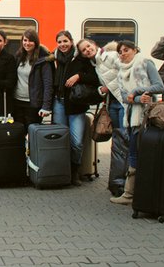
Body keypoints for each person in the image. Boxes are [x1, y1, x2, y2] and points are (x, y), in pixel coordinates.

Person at [109, 40, 164, 205]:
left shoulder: (145, 63)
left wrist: (136, 91)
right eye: (120, 51)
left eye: (126, 50)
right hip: (132, 118)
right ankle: (130, 194)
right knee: (133, 153)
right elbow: (125, 98)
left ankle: (141, 193)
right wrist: (138, 98)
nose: (123, 54)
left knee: (145, 154)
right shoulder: (120, 71)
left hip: (147, 118)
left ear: (135, 50)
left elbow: (159, 86)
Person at [53, 34, 100, 186]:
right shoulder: (54, 58)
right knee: (61, 139)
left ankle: (75, 171)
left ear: (71, 42)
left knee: (77, 142)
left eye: (65, 41)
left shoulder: (81, 59)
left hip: (76, 105)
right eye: (59, 42)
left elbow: (95, 78)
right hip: (59, 103)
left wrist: (79, 76)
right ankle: (63, 172)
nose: (62, 44)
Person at [12, 29, 53, 128]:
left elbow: (48, 85)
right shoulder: (19, 57)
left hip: (34, 104)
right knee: (19, 132)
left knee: (32, 133)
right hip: (17, 102)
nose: (27, 43)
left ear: (35, 42)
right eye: (25, 40)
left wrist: (46, 106)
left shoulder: (43, 60)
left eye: (30, 41)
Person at [80, 39, 125, 129]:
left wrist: (110, 86)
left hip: (123, 100)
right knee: (117, 134)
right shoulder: (95, 65)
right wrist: (101, 89)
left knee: (124, 133)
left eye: (88, 46)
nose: (87, 50)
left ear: (94, 44)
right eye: (84, 50)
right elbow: (102, 84)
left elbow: (126, 72)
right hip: (111, 102)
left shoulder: (111, 55)